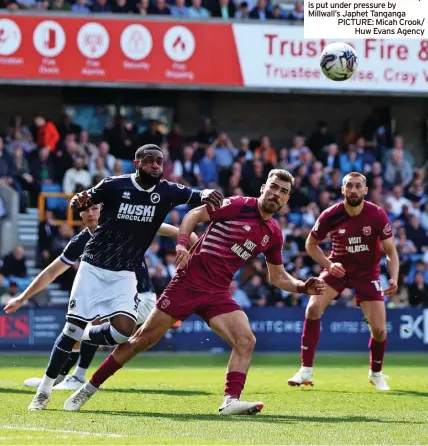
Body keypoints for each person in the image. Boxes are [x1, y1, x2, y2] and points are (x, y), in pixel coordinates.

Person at [64, 169, 326, 414]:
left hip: (217, 293)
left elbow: (278, 277)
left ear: (287, 199)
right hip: (188, 283)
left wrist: (303, 286)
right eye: (273, 187)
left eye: (282, 191)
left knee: (246, 340)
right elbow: (193, 215)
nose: (275, 194)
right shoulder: (238, 205)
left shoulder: (273, 233)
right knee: (141, 340)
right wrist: (181, 245)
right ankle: (87, 389)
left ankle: (231, 401)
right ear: (263, 188)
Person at [27, 144, 222, 410]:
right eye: (150, 161)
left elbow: (196, 195)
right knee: (71, 328)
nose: (156, 165)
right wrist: (77, 201)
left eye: (159, 162)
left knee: (123, 332)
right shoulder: (114, 185)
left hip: (124, 273)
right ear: (137, 163)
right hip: (94, 267)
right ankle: (44, 390)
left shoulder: (167, 190)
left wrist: (209, 193)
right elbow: (84, 200)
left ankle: (83, 335)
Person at [4, 204, 197, 390]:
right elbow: (51, 272)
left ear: (103, 210)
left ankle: (76, 376)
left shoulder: (125, 225)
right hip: (116, 300)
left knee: (87, 324)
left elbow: (170, 230)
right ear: (79, 215)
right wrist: (22, 298)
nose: (90, 213)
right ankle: (60, 378)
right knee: (79, 326)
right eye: (85, 209)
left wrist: (194, 243)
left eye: (95, 208)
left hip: (141, 298)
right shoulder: (82, 239)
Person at [287, 172, 399, 391]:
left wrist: (393, 277)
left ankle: (376, 374)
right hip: (337, 270)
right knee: (313, 308)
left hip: (368, 274)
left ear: (365, 190)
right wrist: (329, 265)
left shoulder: (376, 215)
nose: (354, 190)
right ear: (343, 189)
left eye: (358, 186)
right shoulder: (330, 215)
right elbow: (310, 245)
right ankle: (305, 371)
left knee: (379, 330)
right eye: (349, 186)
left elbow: (391, 252)